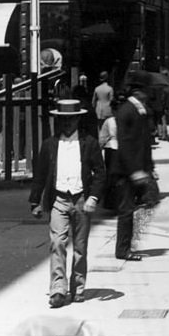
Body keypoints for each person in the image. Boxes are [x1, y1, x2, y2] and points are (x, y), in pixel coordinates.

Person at [29, 99, 106, 308]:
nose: (67, 123)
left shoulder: (89, 142)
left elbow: (100, 173)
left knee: (80, 247)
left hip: (82, 198)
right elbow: (40, 174)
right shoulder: (49, 145)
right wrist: (35, 200)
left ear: (78, 119)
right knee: (57, 243)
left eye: (71, 119)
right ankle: (58, 290)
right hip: (59, 199)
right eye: (63, 119)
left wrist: (93, 197)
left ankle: (78, 287)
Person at [110, 72, 160, 261]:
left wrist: (149, 166)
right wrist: (135, 171)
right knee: (126, 210)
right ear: (139, 92)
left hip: (138, 169)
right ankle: (123, 249)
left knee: (137, 207)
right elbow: (125, 144)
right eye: (146, 91)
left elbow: (144, 143)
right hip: (126, 171)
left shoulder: (139, 110)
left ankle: (127, 244)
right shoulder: (127, 111)